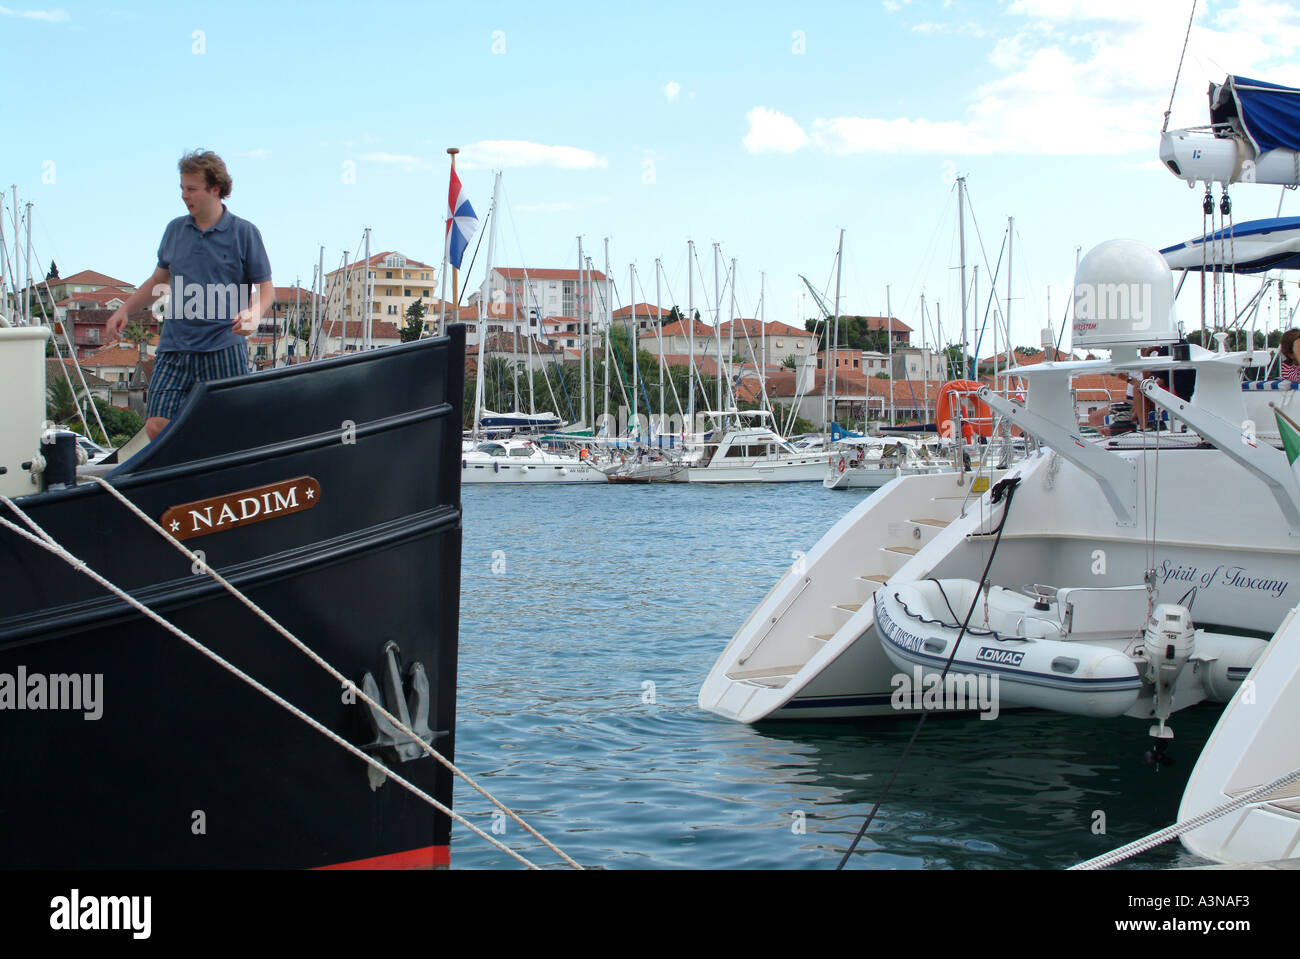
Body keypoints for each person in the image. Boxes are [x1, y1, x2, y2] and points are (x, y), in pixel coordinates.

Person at [106, 150, 272, 440]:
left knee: (231, 430)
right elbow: (159, 279)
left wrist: (253, 314)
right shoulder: (174, 230)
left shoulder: (244, 233)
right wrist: (125, 309)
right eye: (182, 188)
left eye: (192, 189)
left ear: (215, 188)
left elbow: (266, 289)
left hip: (224, 346)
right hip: (174, 346)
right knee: (156, 425)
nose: (184, 195)